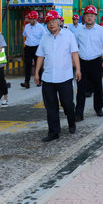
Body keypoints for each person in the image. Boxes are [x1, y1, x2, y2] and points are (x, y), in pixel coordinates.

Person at [34, 10, 81, 142]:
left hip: (64, 77)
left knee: (67, 104)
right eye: (49, 22)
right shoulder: (44, 37)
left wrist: (78, 69)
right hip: (48, 78)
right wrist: (37, 73)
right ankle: (54, 132)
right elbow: (40, 56)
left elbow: (75, 53)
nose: (51, 24)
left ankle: (71, 122)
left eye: (54, 21)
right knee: (51, 107)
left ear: (59, 22)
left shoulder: (68, 35)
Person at [74, 5, 103, 121]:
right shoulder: (79, 30)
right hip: (82, 62)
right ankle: (79, 113)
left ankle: (98, 108)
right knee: (81, 88)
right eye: (87, 15)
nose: (89, 17)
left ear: (95, 17)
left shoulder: (101, 30)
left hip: (96, 62)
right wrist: (74, 62)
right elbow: (74, 47)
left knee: (97, 87)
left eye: (92, 15)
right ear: (84, 17)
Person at [20, 10, 45, 89]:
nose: (29, 20)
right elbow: (24, 34)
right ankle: (26, 82)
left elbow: (44, 38)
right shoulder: (27, 26)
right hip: (28, 48)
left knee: (38, 65)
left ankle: (39, 81)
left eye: (31, 19)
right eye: (29, 19)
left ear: (35, 19)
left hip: (37, 48)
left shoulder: (41, 28)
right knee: (27, 65)